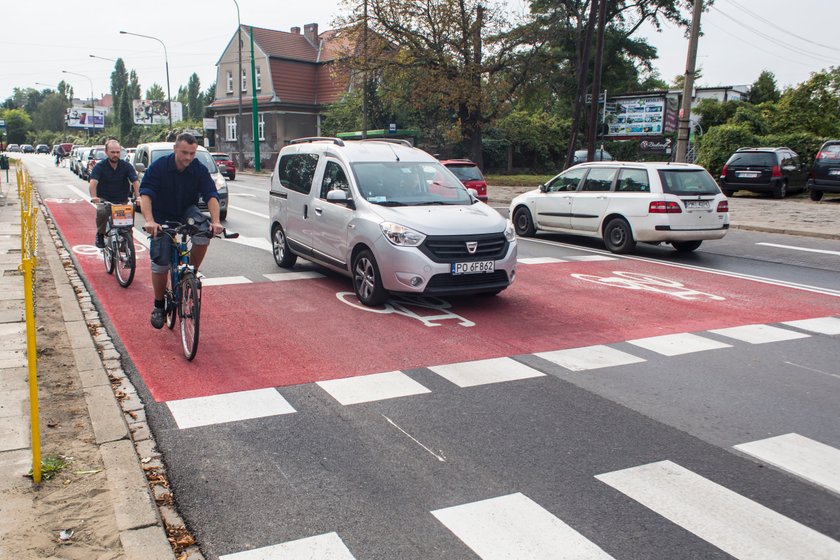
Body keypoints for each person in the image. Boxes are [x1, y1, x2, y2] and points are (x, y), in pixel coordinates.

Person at [139, 133, 223, 329]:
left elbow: (211, 194)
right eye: (184, 152)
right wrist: (150, 221)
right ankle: (159, 305)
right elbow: (146, 194)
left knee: (203, 231)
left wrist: (216, 221)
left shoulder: (198, 169)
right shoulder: (159, 167)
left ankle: (191, 273)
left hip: (187, 210)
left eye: (192, 153)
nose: (188, 158)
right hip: (161, 214)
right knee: (160, 261)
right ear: (175, 149)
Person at [89, 139, 139, 249]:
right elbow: (93, 182)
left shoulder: (126, 166)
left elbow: (135, 181)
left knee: (130, 214)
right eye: (112, 152)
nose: (115, 155)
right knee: (101, 211)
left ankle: (127, 239)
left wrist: (138, 197)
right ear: (106, 152)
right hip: (105, 200)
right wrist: (94, 197)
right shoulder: (100, 167)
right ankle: (100, 235)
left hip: (122, 200)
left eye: (117, 152)